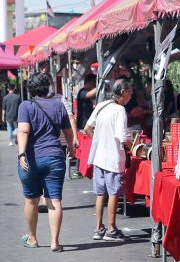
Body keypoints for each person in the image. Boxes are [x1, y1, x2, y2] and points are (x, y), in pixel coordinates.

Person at [16, 72, 75, 252]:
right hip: (55, 157)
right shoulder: (58, 105)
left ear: (31, 89)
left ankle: (32, 238)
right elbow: (68, 132)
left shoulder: (26, 106)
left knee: (31, 200)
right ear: (48, 86)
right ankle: (55, 242)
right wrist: (71, 149)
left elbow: (23, 131)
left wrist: (21, 154)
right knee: (54, 200)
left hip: (31, 159)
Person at [85, 79, 133, 242]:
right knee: (113, 193)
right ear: (123, 92)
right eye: (130, 92)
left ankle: (98, 228)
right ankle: (111, 229)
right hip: (113, 158)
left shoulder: (101, 105)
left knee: (100, 193)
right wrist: (131, 144)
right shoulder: (119, 110)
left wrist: (99, 141)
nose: (131, 96)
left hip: (99, 157)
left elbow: (87, 127)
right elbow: (121, 136)